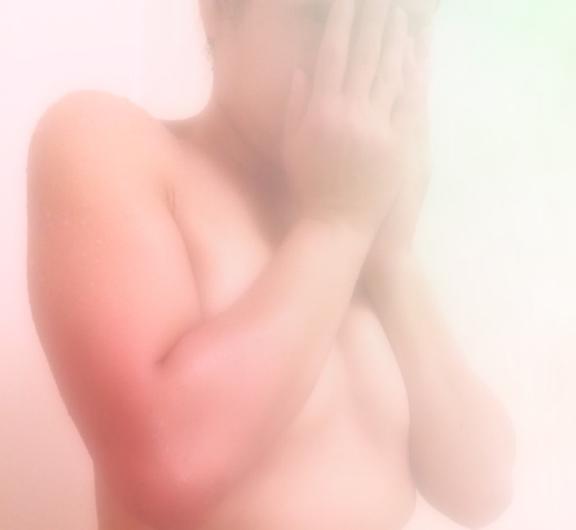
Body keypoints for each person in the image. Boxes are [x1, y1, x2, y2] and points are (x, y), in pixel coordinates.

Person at [26, 1, 516, 529]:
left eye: (407, 21)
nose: (371, 53)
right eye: (326, 15)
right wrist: (338, 221)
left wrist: (391, 257)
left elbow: (482, 490)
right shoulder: (111, 144)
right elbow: (167, 463)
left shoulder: (367, 215)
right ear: (219, 12)